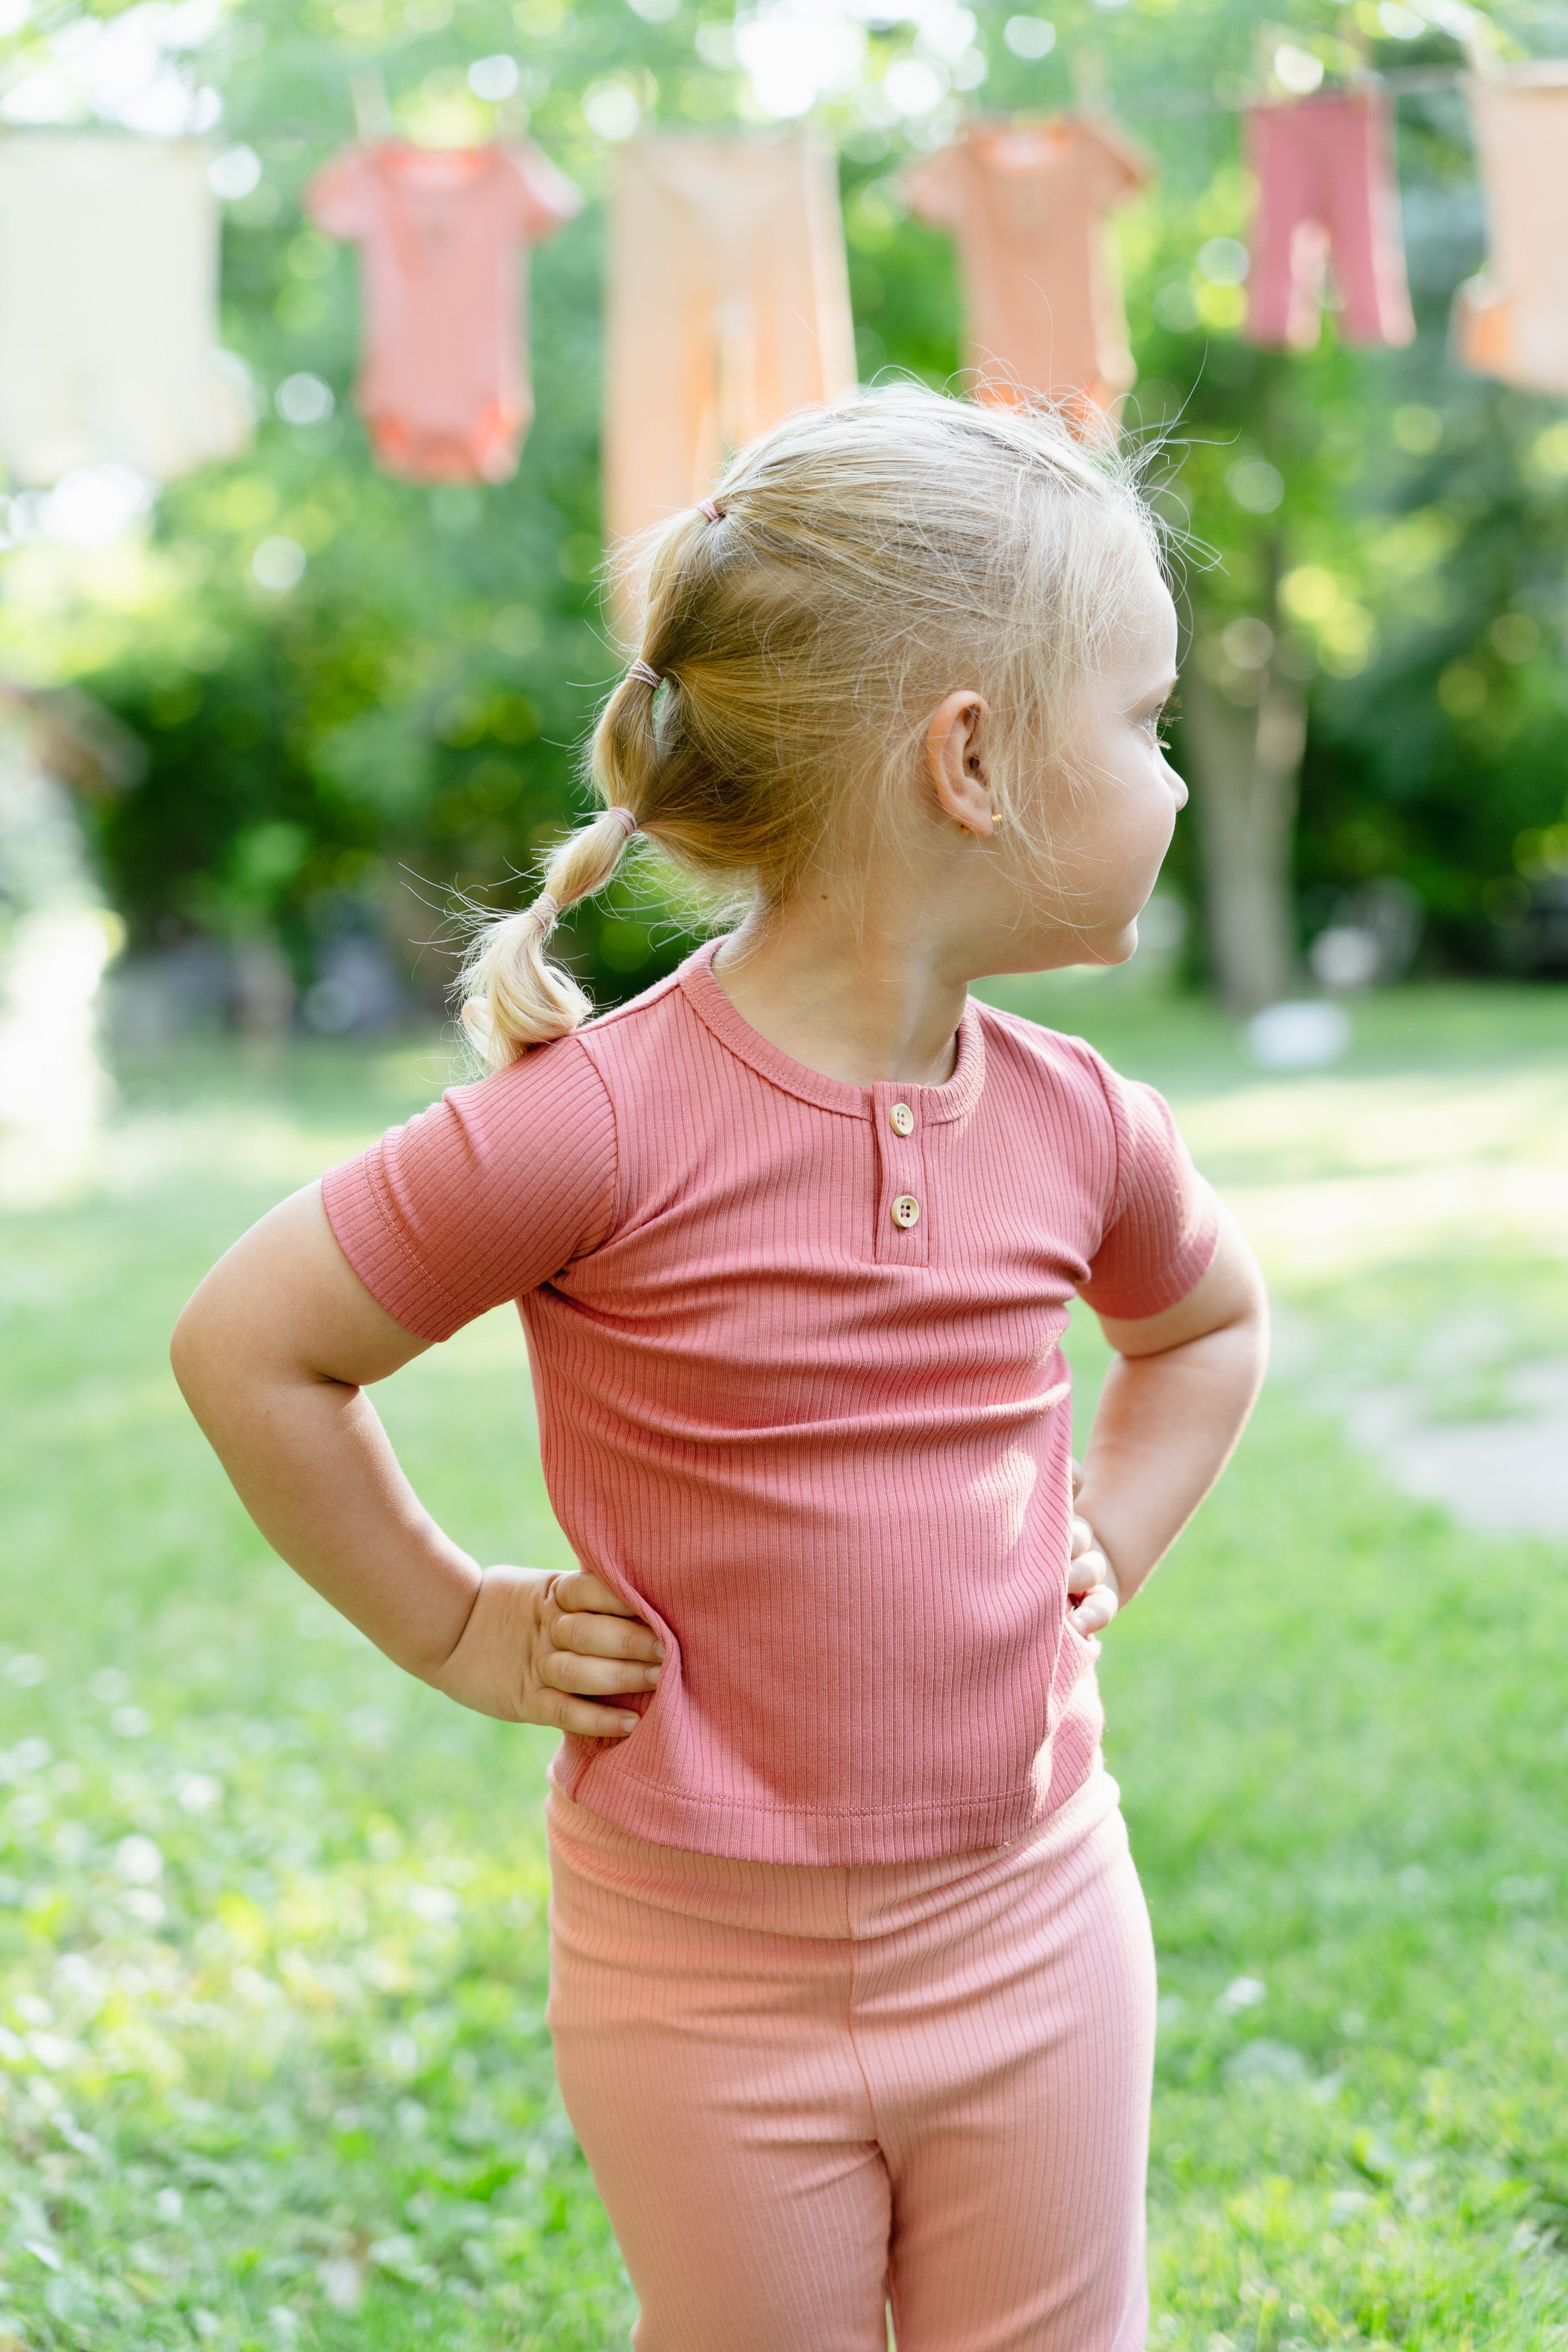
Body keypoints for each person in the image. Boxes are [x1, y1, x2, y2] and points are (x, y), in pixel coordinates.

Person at [171, 386, 1268, 2352]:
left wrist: (1118, 1528)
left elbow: (1202, 1325)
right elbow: (254, 1348)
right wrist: (455, 1629)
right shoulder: (598, 1127)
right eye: (1146, 719)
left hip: (1037, 1930)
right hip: (698, 1979)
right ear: (973, 760)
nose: (1172, 780)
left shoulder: (1088, 1123)